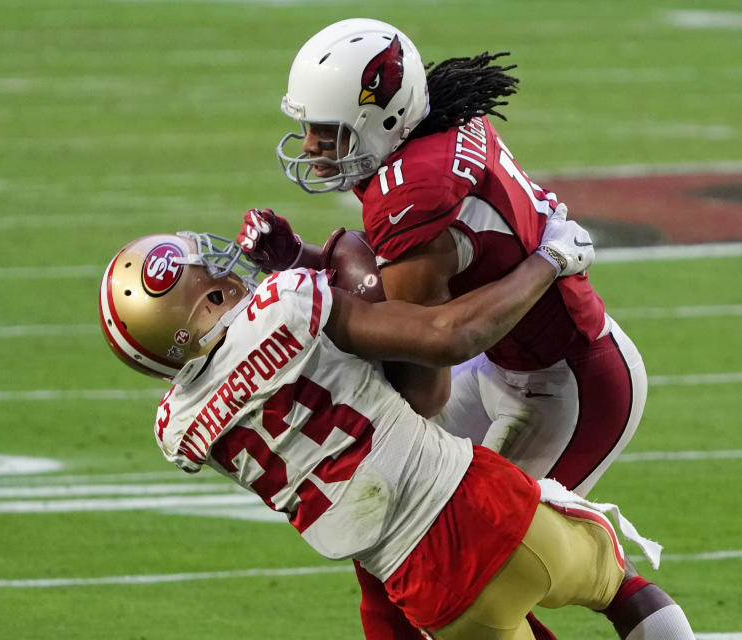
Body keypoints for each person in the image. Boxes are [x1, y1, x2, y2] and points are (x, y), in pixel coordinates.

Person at [237, 17, 665, 640]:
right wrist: (308, 260)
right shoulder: (428, 125)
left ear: (380, 119)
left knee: (475, 568)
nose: (308, 147)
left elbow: (427, 377)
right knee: (401, 558)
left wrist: (320, 318)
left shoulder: (412, 191)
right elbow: (415, 299)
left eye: (325, 133)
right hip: (505, 366)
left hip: (568, 386)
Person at [97, 226, 694, 640]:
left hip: (428, 594)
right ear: (198, 301)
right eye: (211, 274)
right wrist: (549, 260)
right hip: (486, 508)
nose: (227, 269)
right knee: (624, 593)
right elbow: (434, 338)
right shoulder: (286, 303)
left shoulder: (177, 429)